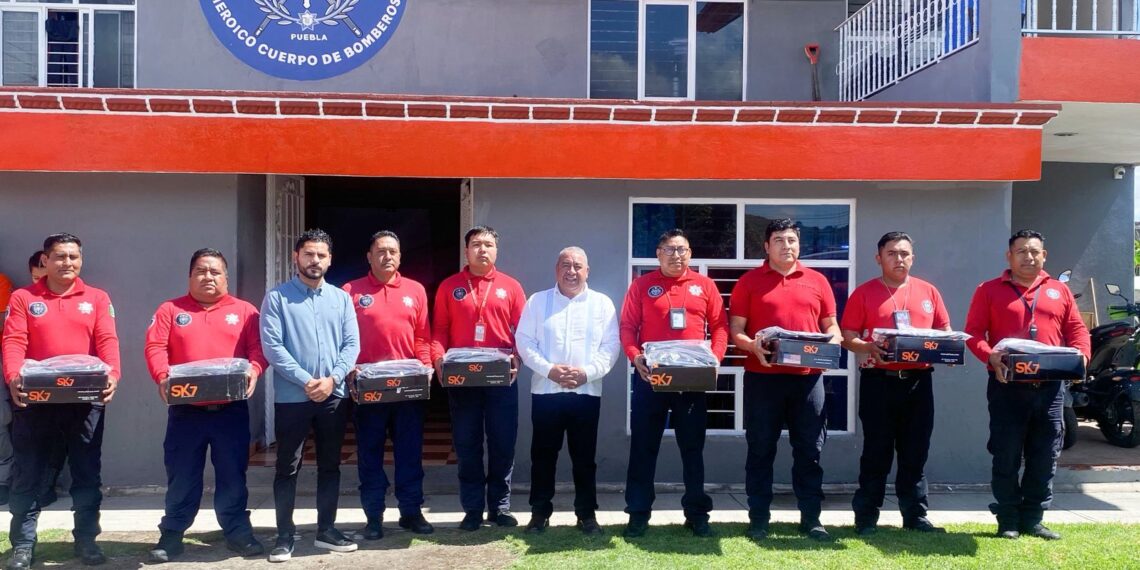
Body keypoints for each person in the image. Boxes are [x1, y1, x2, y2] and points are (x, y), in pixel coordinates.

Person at [2, 233, 121, 569]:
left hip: (84, 402)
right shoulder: (24, 298)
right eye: (60, 256)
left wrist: (113, 374)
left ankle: (86, 541)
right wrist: (13, 377)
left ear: (80, 260)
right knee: (29, 472)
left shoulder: (97, 298)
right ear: (46, 260)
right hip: (35, 401)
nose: (67, 262)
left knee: (86, 474)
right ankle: (23, 545)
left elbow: (107, 340)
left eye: (73, 256)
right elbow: (13, 340)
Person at [143, 248, 268, 562]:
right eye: (201, 271)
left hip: (230, 411)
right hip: (186, 412)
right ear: (190, 276)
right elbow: (155, 346)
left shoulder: (245, 311)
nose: (208, 277)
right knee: (182, 475)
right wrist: (161, 376)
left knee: (233, 474)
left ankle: (237, 531)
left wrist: (254, 370)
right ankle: (172, 535)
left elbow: (258, 349)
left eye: (215, 272)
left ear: (226, 277)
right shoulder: (170, 310)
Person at [965, 229, 1090, 540]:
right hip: (1007, 387)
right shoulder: (988, 290)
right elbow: (974, 333)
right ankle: (1008, 518)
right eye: (1021, 251)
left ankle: (1033, 518)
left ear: (1044, 256)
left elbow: (1076, 329)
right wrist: (990, 356)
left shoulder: (1059, 290)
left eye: (1035, 251)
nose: (1028, 257)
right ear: (1009, 256)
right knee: (1006, 453)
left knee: (1045, 454)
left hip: (1050, 389)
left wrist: (1082, 356)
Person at [729, 218, 841, 542]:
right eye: (779, 240)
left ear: (799, 245)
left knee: (809, 449)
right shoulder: (749, 282)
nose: (786, 246)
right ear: (766, 246)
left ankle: (811, 518)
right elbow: (736, 329)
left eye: (791, 240)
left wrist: (832, 343)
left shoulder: (818, 281)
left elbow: (831, 326)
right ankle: (758, 519)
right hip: (763, 379)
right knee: (760, 449)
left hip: (808, 381)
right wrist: (751, 345)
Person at [620, 229, 728, 538]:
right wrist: (635, 357)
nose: (676, 255)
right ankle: (638, 513)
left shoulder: (704, 285)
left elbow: (720, 326)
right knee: (643, 447)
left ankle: (697, 514)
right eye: (669, 249)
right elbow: (627, 327)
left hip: (691, 380)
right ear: (658, 253)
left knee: (692, 448)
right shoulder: (642, 285)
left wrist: (715, 358)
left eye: (682, 249)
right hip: (651, 378)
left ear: (690, 254)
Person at [840, 232, 951, 535]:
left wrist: (944, 349)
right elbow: (847, 336)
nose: (898, 259)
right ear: (879, 258)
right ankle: (866, 517)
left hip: (918, 383)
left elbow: (945, 331)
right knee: (876, 452)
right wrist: (867, 347)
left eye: (904, 253)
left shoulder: (928, 292)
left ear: (912, 258)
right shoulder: (864, 293)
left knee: (915, 451)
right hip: (879, 381)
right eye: (891, 253)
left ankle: (915, 515)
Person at [260, 229, 360, 562]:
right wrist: (307, 381)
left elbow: (352, 344)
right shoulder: (277, 298)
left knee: (330, 465)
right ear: (296, 257)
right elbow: (273, 347)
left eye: (321, 255)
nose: (314, 260)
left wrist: (333, 379)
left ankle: (326, 530)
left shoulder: (341, 299)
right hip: (293, 398)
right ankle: (284, 535)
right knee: (287, 466)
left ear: (329, 260)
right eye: (308, 254)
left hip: (333, 396)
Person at [515, 247, 620, 535]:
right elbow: (524, 341)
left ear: (588, 271)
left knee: (584, 459)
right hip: (546, 393)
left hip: (586, 393)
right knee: (543, 456)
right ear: (556, 269)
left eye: (577, 266)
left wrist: (587, 373)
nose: (571, 271)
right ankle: (539, 513)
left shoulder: (602, 304)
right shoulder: (538, 301)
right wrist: (549, 370)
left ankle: (586, 515)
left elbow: (611, 346)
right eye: (565, 265)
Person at [431, 226, 525, 531]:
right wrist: (438, 361)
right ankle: (472, 508)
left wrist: (517, 357)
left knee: (503, 442)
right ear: (466, 250)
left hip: (500, 378)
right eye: (476, 244)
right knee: (467, 443)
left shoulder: (511, 287)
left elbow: (524, 332)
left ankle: (500, 507)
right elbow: (439, 331)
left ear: (496, 250)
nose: (482, 249)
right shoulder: (449, 287)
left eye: (488, 244)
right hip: (462, 380)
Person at [342, 231, 434, 539]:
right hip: (369, 389)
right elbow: (343, 338)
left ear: (400, 256)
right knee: (370, 453)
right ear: (369, 256)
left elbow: (422, 336)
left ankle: (411, 511)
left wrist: (426, 366)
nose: (387, 256)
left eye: (393, 251)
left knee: (410, 452)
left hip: (407, 388)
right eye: (381, 251)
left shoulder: (415, 290)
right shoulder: (350, 291)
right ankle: (374, 516)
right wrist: (349, 369)